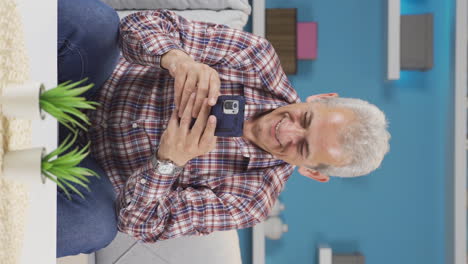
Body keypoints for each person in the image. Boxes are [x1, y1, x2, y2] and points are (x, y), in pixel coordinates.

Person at [56, 0, 390, 257]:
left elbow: (141, 223)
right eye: (305, 119)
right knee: (97, 22)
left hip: (86, 171)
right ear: (319, 97)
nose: (286, 132)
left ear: (311, 172)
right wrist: (176, 58)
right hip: (87, 81)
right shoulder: (255, 58)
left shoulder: (251, 199)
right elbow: (142, 24)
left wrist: (168, 162)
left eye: (302, 148)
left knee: (95, 228)